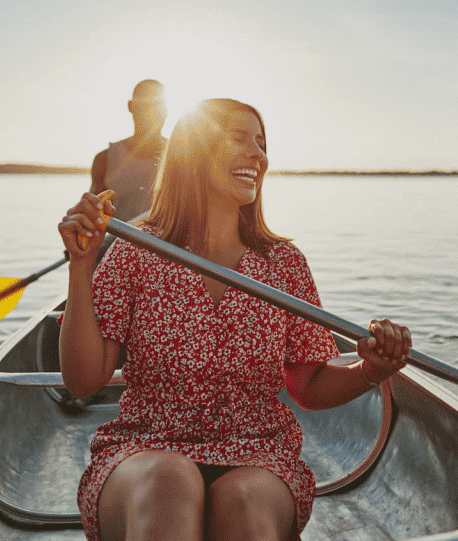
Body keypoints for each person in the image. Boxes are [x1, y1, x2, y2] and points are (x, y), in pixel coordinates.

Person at [58, 98, 412, 541]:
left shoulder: (284, 264)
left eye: (261, 144)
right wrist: (81, 263)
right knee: (170, 481)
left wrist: (372, 370)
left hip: (259, 454)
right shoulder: (134, 250)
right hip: (144, 448)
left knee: (243, 501)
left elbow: (308, 387)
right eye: (240, 139)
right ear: (193, 151)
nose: (258, 155)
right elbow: (83, 381)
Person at [90, 79, 168, 222]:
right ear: (131, 106)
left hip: (162, 243)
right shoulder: (104, 160)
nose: (151, 112)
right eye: (145, 105)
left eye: (157, 105)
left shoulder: (182, 160)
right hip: (115, 243)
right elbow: (93, 218)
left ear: (166, 110)